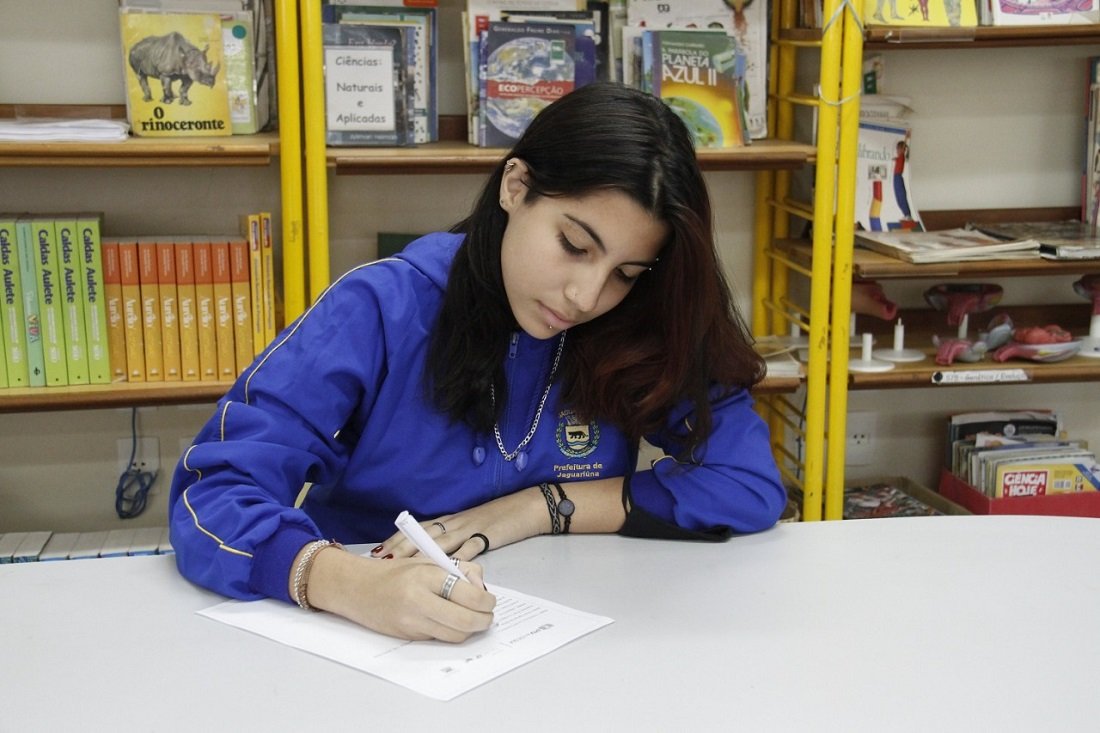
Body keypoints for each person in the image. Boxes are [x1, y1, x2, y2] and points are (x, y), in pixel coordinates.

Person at [169, 82, 787, 643]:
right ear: (514, 187)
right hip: (369, 640)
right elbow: (214, 492)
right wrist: (347, 585)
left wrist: (538, 508)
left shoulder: (628, 318)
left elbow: (746, 483)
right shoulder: (380, 308)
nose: (587, 296)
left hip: (573, 642)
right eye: (573, 245)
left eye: (625, 272)